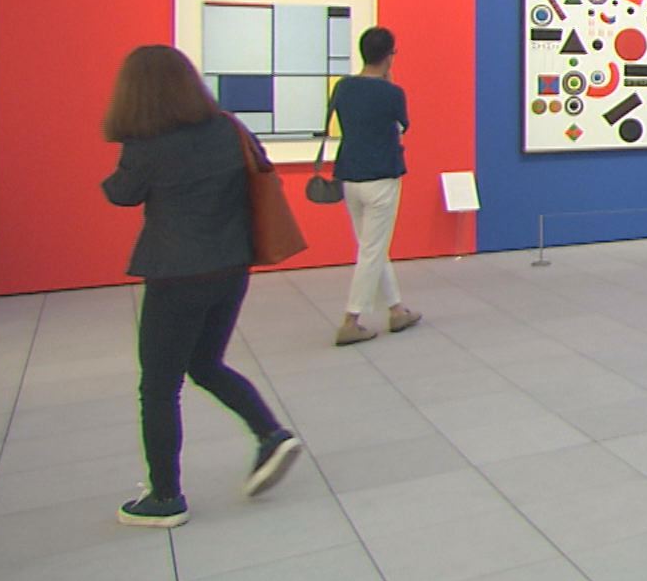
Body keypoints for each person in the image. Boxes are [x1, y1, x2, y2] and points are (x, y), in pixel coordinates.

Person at [101, 46, 303, 528]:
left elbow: (122, 194)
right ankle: (271, 434)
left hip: (176, 276)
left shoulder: (147, 143)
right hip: (231, 269)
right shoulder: (227, 128)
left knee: (159, 385)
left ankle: (165, 497)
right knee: (206, 363)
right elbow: (261, 167)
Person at [331, 26, 420, 346]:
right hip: (381, 178)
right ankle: (351, 319)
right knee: (372, 250)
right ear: (389, 56)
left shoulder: (343, 87)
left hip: (350, 177)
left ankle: (397, 310)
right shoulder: (392, 93)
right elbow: (402, 126)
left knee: (371, 246)